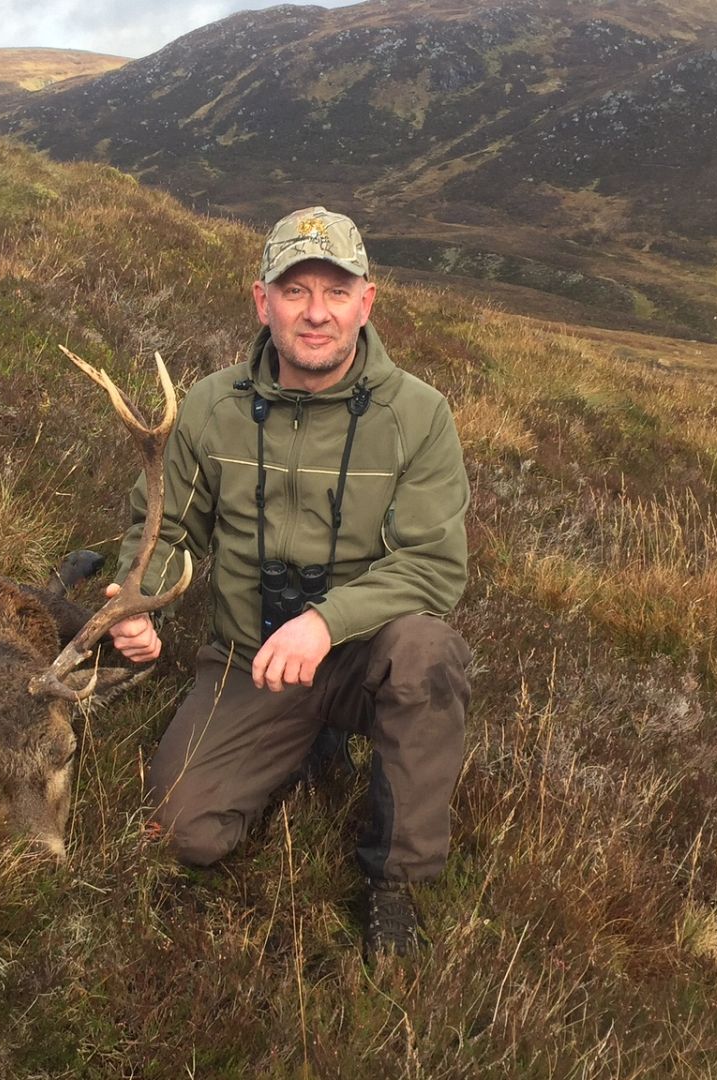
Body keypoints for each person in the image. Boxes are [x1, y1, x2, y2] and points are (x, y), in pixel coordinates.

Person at [104, 206, 472, 964]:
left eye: (335, 292)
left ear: (366, 303)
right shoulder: (210, 407)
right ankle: (301, 744)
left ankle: (396, 884)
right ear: (260, 300)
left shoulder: (419, 415)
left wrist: (326, 624)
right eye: (294, 290)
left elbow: (433, 567)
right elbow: (167, 532)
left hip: (362, 655)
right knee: (184, 832)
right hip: (249, 660)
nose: (315, 313)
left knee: (429, 652)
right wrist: (141, 601)